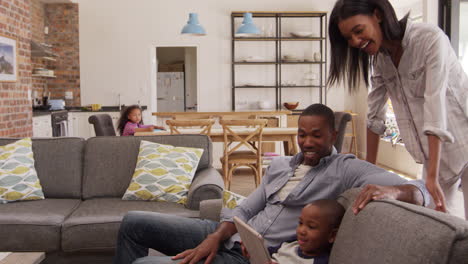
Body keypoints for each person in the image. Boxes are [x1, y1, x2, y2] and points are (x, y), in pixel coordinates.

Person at [113, 104, 429, 264]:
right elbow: (247, 207)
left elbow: (421, 188)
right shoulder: (280, 165)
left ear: (333, 135)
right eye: (302, 134)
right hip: (227, 234)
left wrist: (399, 190)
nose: (307, 142)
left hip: (251, 257)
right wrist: (217, 235)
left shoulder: (343, 169)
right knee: (132, 223)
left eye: (316, 135)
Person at [327, 0, 468, 219]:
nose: (355, 41)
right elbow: (374, 118)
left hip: (463, 142)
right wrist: (367, 175)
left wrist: (430, 177)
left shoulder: (429, 39)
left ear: (378, 15)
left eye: (358, 30)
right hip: (435, 156)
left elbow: (434, 105)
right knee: (437, 226)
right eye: (348, 38)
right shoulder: (381, 60)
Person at [267, 200, 345, 264]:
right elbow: (269, 252)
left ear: (332, 235)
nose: (301, 231)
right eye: (300, 223)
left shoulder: (320, 262)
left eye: (311, 227)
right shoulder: (293, 242)